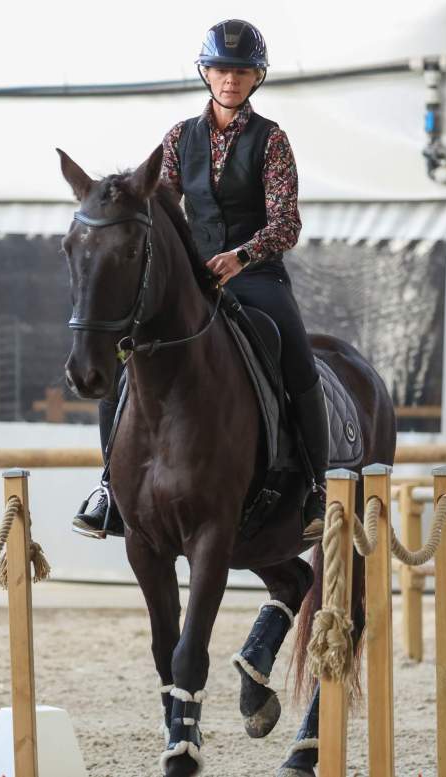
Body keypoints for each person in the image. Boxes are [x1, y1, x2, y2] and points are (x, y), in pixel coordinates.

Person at [73, 19, 329, 538]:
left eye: (240, 70)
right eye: (220, 69)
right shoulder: (179, 137)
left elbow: (287, 223)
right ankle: (110, 488)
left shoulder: (271, 140)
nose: (229, 79)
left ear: (256, 77)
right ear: (205, 74)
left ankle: (315, 490)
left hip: (257, 276)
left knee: (295, 355)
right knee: (126, 356)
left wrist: (241, 255)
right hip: (195, 277)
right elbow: (159, 206)